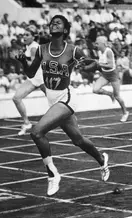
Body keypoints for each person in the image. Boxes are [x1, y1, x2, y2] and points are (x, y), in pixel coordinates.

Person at [15, 15, 110, 196]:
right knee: (78, 140)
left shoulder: (73, 50)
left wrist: (88, 66)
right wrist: (22, 61)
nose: (53, 24)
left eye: (58, 23)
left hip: (66, 98)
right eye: (52, 22)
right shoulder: (42, 49)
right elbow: (30, 72)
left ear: (65, 30)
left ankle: (52, 175)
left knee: (36, 132)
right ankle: (102, 160)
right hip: (52, 99)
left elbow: (92, 66)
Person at [12, 26, 45, 136]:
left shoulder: (33, 48)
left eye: (27, 35)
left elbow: (32, 66)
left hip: (41, 78)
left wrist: (21, 59)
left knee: (55, 101)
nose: (24, 37)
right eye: (23, 35)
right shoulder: (28, 47)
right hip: (32, 78)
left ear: (33, 37)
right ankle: (26, 123)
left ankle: (69, 120)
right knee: (16, 98)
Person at [89, 36, 129, 122]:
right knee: (95, 89)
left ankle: (125, 112)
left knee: (117, 96)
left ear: (102, 44)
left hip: (113, 75)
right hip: (105, 75)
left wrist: (99, 64)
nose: (96, 45)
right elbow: (100, 64)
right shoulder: (99, 52)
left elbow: (110, 65)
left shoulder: (108, 51)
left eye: (97, 43)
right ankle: (110, 94)